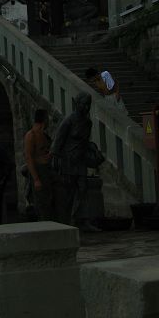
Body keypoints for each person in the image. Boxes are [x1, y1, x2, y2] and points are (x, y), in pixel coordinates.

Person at [51, 92, 97, 228]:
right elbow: (58, 140)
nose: (87, 107)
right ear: (77, 104)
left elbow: (85, 141)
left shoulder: (88, 122)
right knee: (68, 192)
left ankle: (83, 220)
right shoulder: (69, 121)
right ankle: (66, 221)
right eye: (84, 104)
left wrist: (92, 148)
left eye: (89, 104)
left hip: (80, 160)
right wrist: (56, 158)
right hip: (68, 161)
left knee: (83, 189)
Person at [24, 109, 55, 220]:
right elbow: (29, 158)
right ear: (44, 119)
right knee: (41, 206)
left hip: (47, 172)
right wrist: (36, 179)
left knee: (49, 204)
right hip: (39, 172)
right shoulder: (30, 135)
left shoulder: (43, 135)